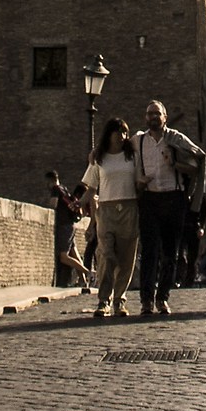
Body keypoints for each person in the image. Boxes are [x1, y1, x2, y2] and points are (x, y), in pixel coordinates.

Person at [133, 99, 206, 318]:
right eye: (150, 114)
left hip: (174, 199)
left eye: (158, 113)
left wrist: (175, 163)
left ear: (165, 117)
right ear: (146, 118)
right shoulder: (138, 140)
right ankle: (146, 300)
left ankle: (162, 297)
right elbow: (116, 148)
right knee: (149, 252)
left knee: (170, 253)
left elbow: (197, 163)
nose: (153, 117)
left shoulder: (176, 139)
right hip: (150, 199)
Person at [80, 118, 140, 319]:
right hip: (106, 209)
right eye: (118, 132)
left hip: (129, 207)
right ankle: (103, 300)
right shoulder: (100, 158)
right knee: (106, 255)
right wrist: (78, 203)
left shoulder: (133, 156)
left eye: (125, 133)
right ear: (109, 134)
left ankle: (119, 300)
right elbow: (91, 187)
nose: (122, 137)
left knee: (126, 258)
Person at [46, 170, 89, 288]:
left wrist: (47, 203)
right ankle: (83, 281)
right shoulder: (64, 188)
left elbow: (53, 204)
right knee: (74, 254)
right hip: (71, 225)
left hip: (64, 226)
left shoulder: (55, 189)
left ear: (50, 181)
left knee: (63, 257)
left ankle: (88, 273)